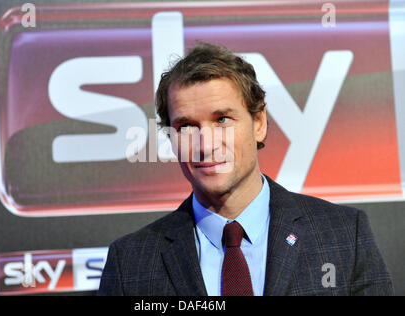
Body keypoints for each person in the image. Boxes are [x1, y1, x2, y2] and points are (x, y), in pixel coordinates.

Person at [98, 42, 394, 296]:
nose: (206, 144)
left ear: (259, 123)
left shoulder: (342, 234)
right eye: (186, 126)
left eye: (223, 120)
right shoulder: (131, 263)